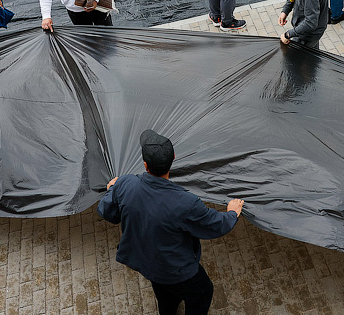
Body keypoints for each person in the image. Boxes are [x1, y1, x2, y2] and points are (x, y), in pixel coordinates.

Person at [98, 129, 245, 315]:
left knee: (164, 297)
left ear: (145, 164)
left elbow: (106, 211)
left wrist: (113, 189)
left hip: (149, 265)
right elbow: (215, 225)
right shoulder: (186, 203)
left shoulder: (126, 184)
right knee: (203, 292)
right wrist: (232, 213)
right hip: (177, 271)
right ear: (174, 157)